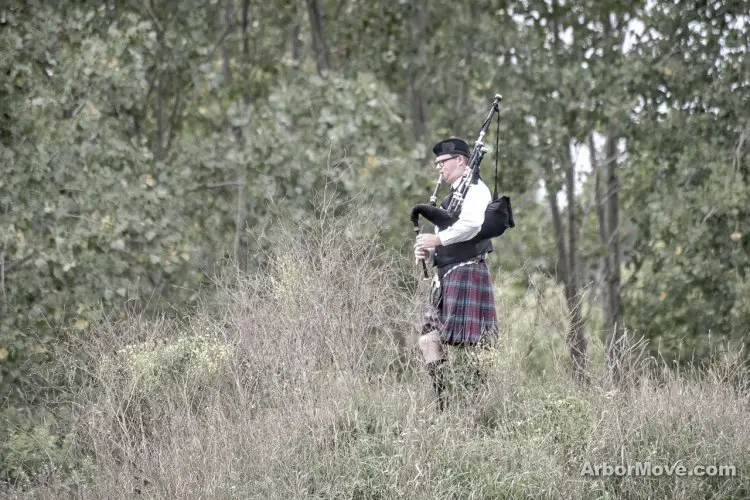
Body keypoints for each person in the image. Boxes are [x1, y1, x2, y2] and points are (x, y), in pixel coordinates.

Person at [414, 137, 498, 411]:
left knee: (471, 345)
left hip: (468, 273)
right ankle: (444, 404)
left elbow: (472, 225)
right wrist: (428, 252)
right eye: (437, 163)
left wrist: (437, 241)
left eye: (443, 162)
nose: (439, 168)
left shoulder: (475, 189)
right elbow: (449, 238)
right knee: (428, 339)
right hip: (446, 276)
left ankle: (477, 406)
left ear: (461, 160)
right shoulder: (453, 196)